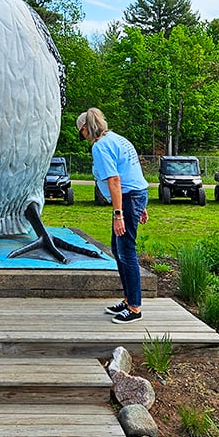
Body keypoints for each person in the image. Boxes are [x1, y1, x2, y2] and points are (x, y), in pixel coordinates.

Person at [77, 107, 149, 323]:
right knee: (118, 250)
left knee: (126, 251)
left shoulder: (100, 146)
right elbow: (131, 170)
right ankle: (128, 299)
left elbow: (115, 180)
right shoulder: (118, 139)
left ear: (85, 129)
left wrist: (120, 215)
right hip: (134, 195)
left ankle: (135, 308)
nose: (82, 137)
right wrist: (140, 205)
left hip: (127, 199)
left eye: (81, 133)